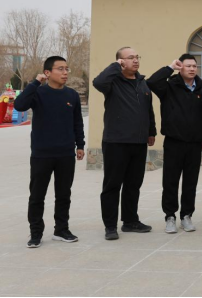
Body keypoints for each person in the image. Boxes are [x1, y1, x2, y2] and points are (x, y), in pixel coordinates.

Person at [14, 57, 85, 248]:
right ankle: (36, 233)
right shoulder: (38, 92)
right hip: (42, 154)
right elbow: (19, 105)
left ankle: (61, 230)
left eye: (67, 68)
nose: (65, 72)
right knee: (37, 196)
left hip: (66, 154)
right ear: (47, 72)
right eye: (60, 69)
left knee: (63, 195)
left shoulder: (72, 95)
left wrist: (80, 145)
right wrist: (35, 83)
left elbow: (77, 122)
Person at [92, 47, 157, 241]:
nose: (135, 60)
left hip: (138, 142)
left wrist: (151, 131)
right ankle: (110, 226)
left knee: (133, 185)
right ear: (120, 62)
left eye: (137, 57)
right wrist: (115, 66)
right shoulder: (112, 82)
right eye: (130, 58)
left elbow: (148, 109)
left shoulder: (142, 82)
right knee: (112, 185)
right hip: (116, 142)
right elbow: (97, 82)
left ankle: (130, 221)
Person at [147, 55, 202, 234]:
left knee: (190, 182)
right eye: (188, 66)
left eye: (194, 66)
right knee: (170, 181)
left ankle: (186, 215)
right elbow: (151, 82)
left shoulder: (201, 88)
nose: (192, 69)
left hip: (195, 143)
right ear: (180, 67)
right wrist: (169, 68)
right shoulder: (169, 86)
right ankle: (170, 216)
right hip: (174, 141)